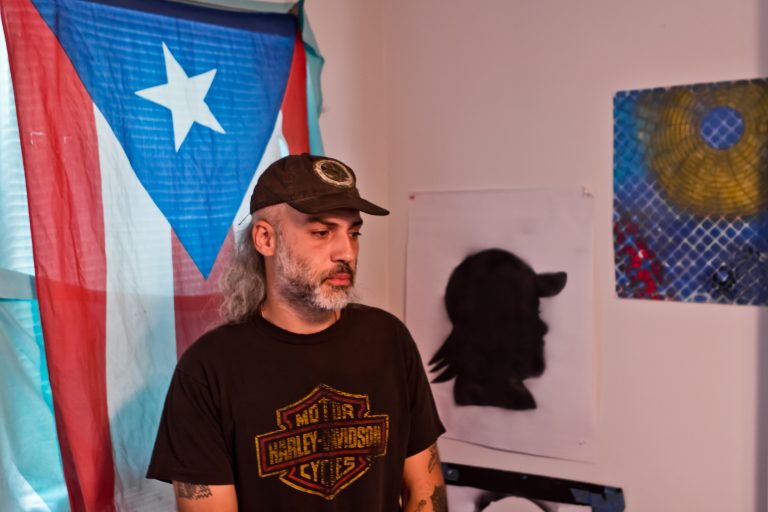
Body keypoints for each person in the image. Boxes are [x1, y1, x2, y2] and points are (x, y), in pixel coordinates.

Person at [147, 154, 446, 512]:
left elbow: (424, 491)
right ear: (265, 239)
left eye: (353, 232)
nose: (346, 252)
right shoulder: (209, 369)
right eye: (322, 232)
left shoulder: (388, 339)